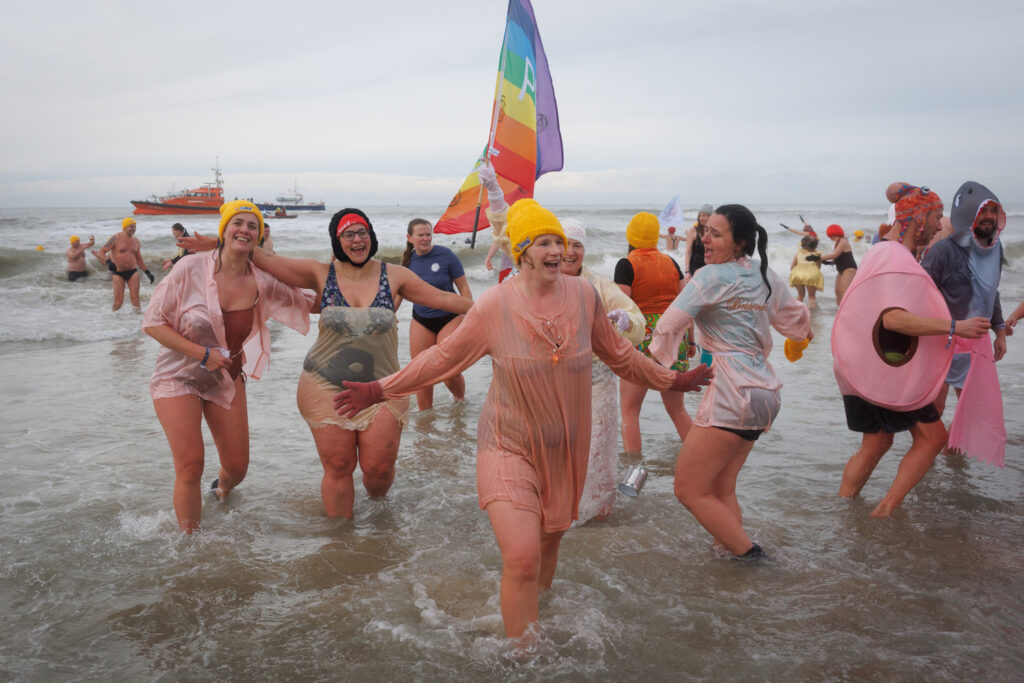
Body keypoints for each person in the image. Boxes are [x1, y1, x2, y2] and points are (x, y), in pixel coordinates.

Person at [332, 199, 712, 639]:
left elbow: (622, 355)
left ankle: (535, 610)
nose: (558, 251)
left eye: (561, 242)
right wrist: (381, 389)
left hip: (565, 447)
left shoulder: (584, 295)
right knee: (522, 557)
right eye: (545, 242)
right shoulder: (495, 305)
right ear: (522, 252)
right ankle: (522, 656)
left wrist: (672, 381)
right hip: (507, 444)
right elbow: (442, 359)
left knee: (550, 539)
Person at [181, 208, 474, 519]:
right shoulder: (321, 273)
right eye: (348, 234)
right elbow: (261, 257)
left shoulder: (394, 275)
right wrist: (217, 243)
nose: (357, 239)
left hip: (383, 387)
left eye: (362, 232)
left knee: (378, 471)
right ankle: (341, 541)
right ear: (338, 240)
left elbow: (444, 299)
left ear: (371, 237)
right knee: (338, 466)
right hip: (324, 386)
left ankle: (377, 522)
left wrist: (494, 309)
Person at [143, 201, 316, 533]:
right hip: (178, 376)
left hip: (226, 378)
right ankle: (189, 544)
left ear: (259, 237)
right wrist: (202, 354)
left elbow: (310, 297)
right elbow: (153, 324)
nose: (245, 230)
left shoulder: (262, 279)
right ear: (224, 229)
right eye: (238, 222)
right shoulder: (190, 268)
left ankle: (221, 490)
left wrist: (361, 292)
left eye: (253, 226)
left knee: (237, 468)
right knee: (190, 465)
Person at [650, 204, 811, 559]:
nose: (705, 238)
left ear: (739, 242)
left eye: (715, 234)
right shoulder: (763, 273)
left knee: (688, 490)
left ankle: (752, 557)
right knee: (722, 487)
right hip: (766, 392)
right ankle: (726, 555)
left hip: (731, 391)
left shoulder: (708, 277)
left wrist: (657, 366)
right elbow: (797, 320)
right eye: (705, 230)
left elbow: (667, 325)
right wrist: (803, 334)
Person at [833, 183, 990, 518]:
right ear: (919, 219)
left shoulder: (881, 250)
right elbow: (892, 320)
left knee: (877, 443)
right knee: (933, 438)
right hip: (884, 367)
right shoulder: (894, 257)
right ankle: (884, 511)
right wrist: (955, 328)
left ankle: (845, 508)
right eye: (935, 218)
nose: (938, 225)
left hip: (863, 364)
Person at [559, 218, 645, 524]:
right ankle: (561, 511)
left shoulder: (599, 285)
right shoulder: (540, 283)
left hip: (598, 383)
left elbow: (638, 321)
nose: (570, 251)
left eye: (577, 245)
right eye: (564, 243)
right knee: (558, 450)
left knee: (599, 450)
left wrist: (627, 322)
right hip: (555, 385)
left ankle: (598, 513)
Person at [921, 182, 1008, 418]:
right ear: (967, 213)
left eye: (993, 210)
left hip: (975, 342)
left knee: (971, 411)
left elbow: (991, 292)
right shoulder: (943, 251)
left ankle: (952, 454)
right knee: (934, 411)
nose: (989, 217)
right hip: (940, 341)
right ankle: (933, 452)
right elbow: (919, 292)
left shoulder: (995, 251)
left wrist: (999, 331)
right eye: (983, 211)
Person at [613, 212, 694, 455]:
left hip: (643, 339)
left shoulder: (626, 264)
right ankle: (699, 456)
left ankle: (634, 469)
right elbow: (686, 304)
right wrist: (691, 341)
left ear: (631, 235)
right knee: (677, 409)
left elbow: (622, 309)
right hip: (674, 335)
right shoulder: (671, 262)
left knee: (630, 410)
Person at [399, 217, 473, 410]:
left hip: (450, 317)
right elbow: (397, 294)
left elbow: (463, 287)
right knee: (420, 373)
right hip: (421, 320)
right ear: (410, 237)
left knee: (447, 369)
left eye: (428, 234)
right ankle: (425, 418)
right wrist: (389, 316)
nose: (425, 238)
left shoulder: (446, 255)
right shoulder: (406, 263)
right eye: (420, 235)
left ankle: (460, 401)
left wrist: (469, 314)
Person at [92, 217, 153, 311]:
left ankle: (137, 323)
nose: (134, 229)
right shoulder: (115, 238)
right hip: (118, 273)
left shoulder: (136, 241)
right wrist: (108, 262)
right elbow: (101, 252)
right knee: (118, 303)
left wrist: (147, 272)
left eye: (135, 227)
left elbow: (139, 259)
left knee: (136, 301)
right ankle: (112, 322)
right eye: (131, 227)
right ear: (125, 227)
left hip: (133, 272)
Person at [820, 224, 858, 305]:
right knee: (837, 291)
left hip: (849, 268)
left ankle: (847, 311)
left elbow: (834, 255)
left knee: (844, 291)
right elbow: (836, 259)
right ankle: (839, 310)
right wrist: (828, 263)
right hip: (841, 269)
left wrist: (819, 258)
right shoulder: (837, 243)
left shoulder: (843, 241)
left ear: (831, 233)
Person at [788, 235, 824, 304]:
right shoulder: (817, 254)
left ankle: (796, 310)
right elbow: (818, 267)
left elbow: (792, 267)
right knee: (812, 296)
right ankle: (812, 313)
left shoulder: (798, 253)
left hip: (798, 274)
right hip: (812, 274)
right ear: (816, 245)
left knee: (800, 295)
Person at [683, 203, 713, 279]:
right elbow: (688, 251)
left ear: (710, 216)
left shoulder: (713, 231)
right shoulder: (693, 230)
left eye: (704, 216)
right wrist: (687, 271)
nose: (701, 218)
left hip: (708, 268)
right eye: (700, 216)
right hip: (694, 268)